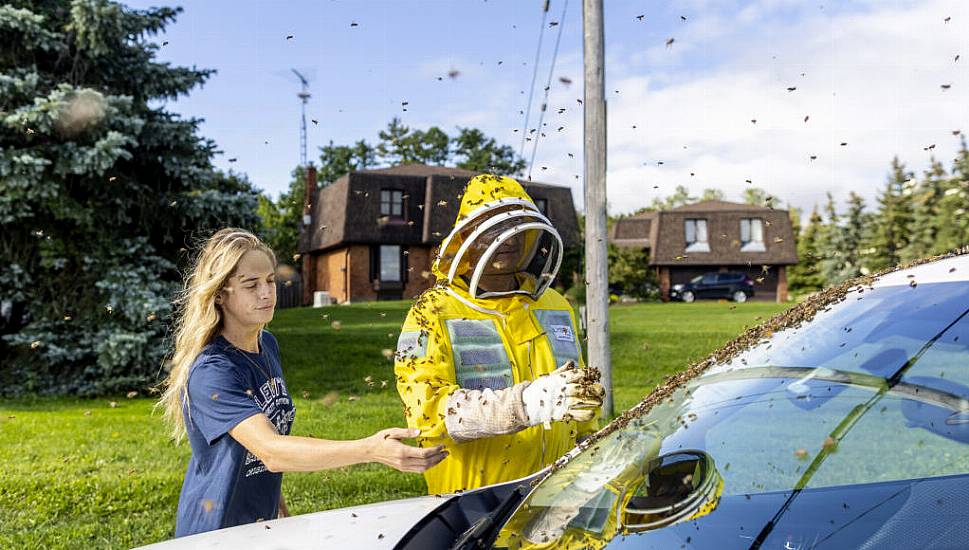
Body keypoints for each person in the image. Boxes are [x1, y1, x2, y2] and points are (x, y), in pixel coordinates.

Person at [158, 228, 447, 537]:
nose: (267, 293)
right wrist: (371, 449)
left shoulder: (266, 345)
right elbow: (270, 450)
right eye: (250, 285)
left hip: (259, 526)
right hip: (214, 533)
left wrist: (273, 500)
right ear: (219, 294)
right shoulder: (212, 370)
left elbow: (261, 439)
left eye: (269, 280)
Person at [394, 174, 605, 495]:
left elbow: (577, 400)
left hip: (560, 493)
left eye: (514, 225)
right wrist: (526, 405)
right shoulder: (432, 311)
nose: (506, 238)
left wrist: (593, 438)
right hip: (476, 500)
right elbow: (426, 410)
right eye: (492, 227)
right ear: (467, 237)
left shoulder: (556, 305)